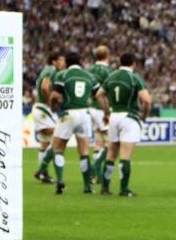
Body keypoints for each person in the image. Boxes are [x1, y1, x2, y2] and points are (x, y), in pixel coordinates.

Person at [45, 51, 100, 194]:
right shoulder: (89, 76)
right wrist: (90, 100)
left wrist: (53, 106)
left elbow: (54, 95)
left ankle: (60, 182)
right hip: (85, 115)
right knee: (84, 152)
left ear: (67, 62)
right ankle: (87, 187)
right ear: (80, 62)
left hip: (69, 113)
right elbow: (99, 93)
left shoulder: (62, 75)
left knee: (58, 148)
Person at [97, 53, 151, 197]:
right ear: (133, 63)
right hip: (129, 117)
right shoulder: (135, 78)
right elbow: (146, 100)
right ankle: (124, 189)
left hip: (114, 116)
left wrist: (106, 111)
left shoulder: (111, 76)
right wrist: (144, 116)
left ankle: (105, 187)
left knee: (111, 153)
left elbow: (99, 94)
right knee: (125, 155)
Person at [33, 52, 66, 184]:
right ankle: (42, 170)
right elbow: (45, 86)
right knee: (59, 135)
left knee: (45, 142)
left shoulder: (45, 70)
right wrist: (49, 102)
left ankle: (43, 174)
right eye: (61, 60)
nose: (63, 63)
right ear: (54, 61)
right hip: (43, 108)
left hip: (39, 107)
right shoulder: (51, 71)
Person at [87, 45, 113, 182]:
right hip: (102, 109)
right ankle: (95, 168)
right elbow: (108, 92)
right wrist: (107, 111)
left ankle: (97, 176)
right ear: (108, 55)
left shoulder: (88, 70)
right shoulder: (108, 72)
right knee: (111, 142)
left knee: (98, 141)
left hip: (90, 108)